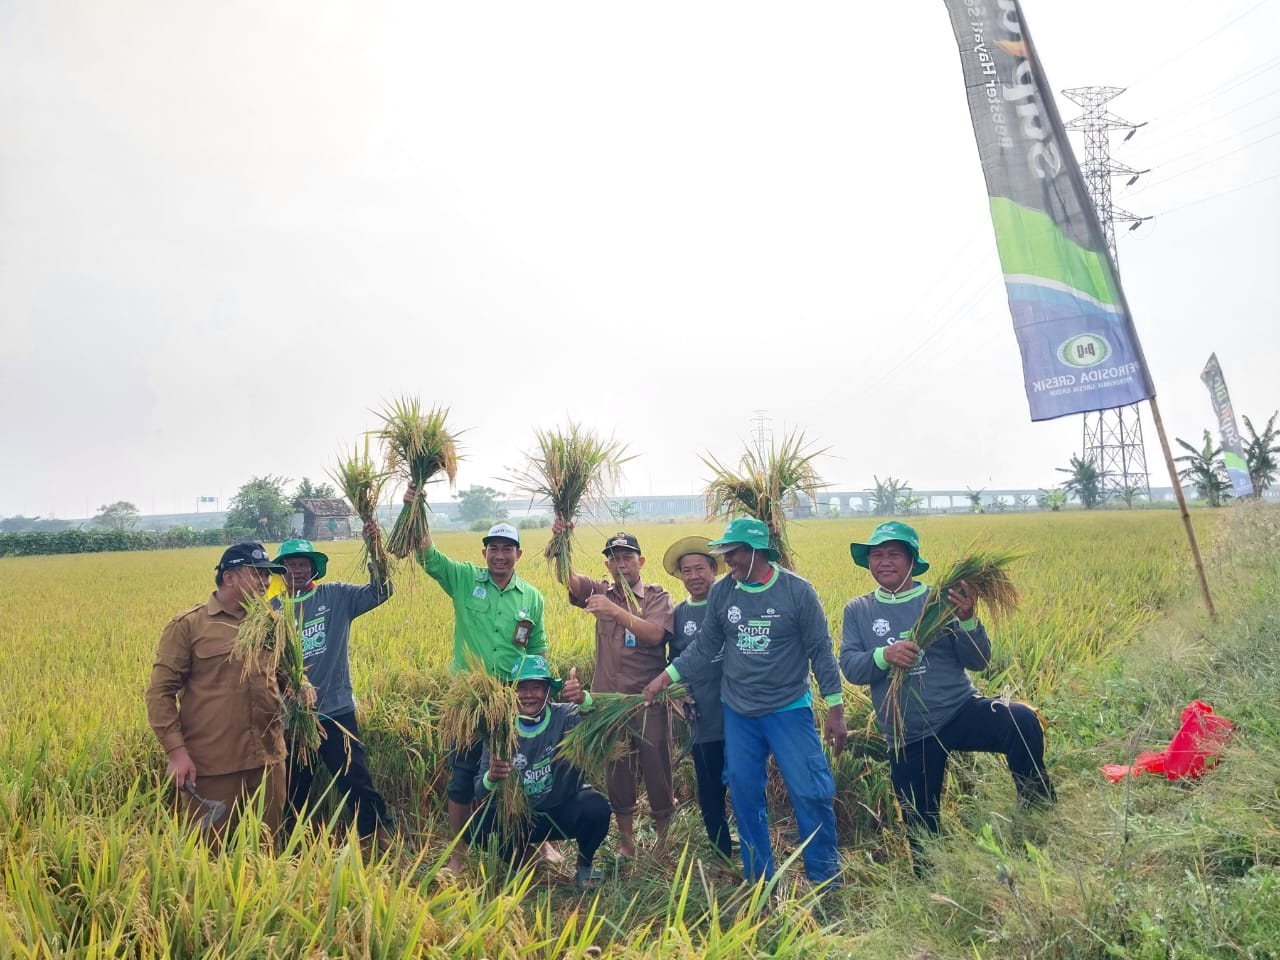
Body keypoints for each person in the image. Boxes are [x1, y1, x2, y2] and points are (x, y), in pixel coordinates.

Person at [643, 517, 847, 888]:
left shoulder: (798, 592)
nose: (728, 561)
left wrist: (835, 708)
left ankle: (825, 878)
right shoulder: (724, 593)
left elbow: (821, 650)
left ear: (756, 552)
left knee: (810, 790)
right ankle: (759, 879)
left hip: (788, 707)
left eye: (733, 553)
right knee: (743, 792)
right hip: (739, 711)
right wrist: (665, 678)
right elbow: (705, 646)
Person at [838, 521, 1054, 856]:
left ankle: (1038, 818)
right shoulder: (858, 609)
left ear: (912, 561)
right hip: (907, 732)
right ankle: (931, 877)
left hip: (958, 710)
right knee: (921, 830)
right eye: (877, 555)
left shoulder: (939, 600)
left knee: (1021, 721)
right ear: (868, 562)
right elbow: (851, 666)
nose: (884, 561)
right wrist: (884, 655)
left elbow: (979, 660)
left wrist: (967, 619)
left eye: (894, 554)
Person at [408, 483, 547, 872]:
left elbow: (538, 649)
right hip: (467, 699)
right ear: (483, 552)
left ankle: (533, 844)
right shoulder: (465, 579)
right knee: (463, 776)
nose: (500, 555)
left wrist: (540, 693)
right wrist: (415, 507)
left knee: (522, 772)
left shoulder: (531, 597)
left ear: (519, 554)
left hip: (512, 698)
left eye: (507, 549)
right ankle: (459, 856)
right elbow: (427, 554)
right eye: (493, 548)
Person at [145, 541, 291, 839]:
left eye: (268, 575)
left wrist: (301, 690)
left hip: (268, 761)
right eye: (257, 573)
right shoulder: (189, 625)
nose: (266, 582)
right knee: (211, 855)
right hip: (212, 767)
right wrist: (176, 753)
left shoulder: (271, 623)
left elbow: (284, 677)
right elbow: (159, 694)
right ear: (230, 577)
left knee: (268, 847)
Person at [552, 522, 675, 858]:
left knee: (658, 768)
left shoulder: (656, 596)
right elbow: (568, 579)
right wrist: (560, 539)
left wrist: (615, 611)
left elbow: (655, 635)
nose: (621, 564)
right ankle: (626, 842)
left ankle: (663, 841)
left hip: (647, 700)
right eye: (614, 558)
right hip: (607, 702)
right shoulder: (599, 591)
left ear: (640, 561)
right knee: (617, 769)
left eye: (627, 557)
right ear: (607, 564)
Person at [274, 533, 395, 842]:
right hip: (293, 718)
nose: (297, 570)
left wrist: (376, 551)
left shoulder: (336, 596)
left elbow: (381, 591)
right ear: (281, 571)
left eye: (303, 564)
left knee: (355, 779)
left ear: (314, 568)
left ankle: (377, 836)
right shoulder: (272, 611)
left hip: (336, 710)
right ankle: (291, 844)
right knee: (293, 786)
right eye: (290, 565)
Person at [471, 655, 612, 890]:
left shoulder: (566, 716)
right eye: (521, 688)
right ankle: (520, 861)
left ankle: (584, 865)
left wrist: (584, 699)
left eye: (536, 687)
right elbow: (479, 790)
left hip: (562, 809)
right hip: (521, 818)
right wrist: (491, 777)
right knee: (478, 826)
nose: (528, 695)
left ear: (548, 691)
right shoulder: (499, 728)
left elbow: (602, 720)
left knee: (597, 809)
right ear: (510, 693)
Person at [662, 535, 732, 864]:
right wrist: (681, 695)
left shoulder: (731, 603)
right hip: (703, 717)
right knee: (709, 786)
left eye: (700, 568)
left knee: (745, 782)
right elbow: (673, 661)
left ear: (714, 569)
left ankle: (753, 846)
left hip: (741, 712)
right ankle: (721, 853)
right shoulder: (679, 614)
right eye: (686, 571)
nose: (693, 576)